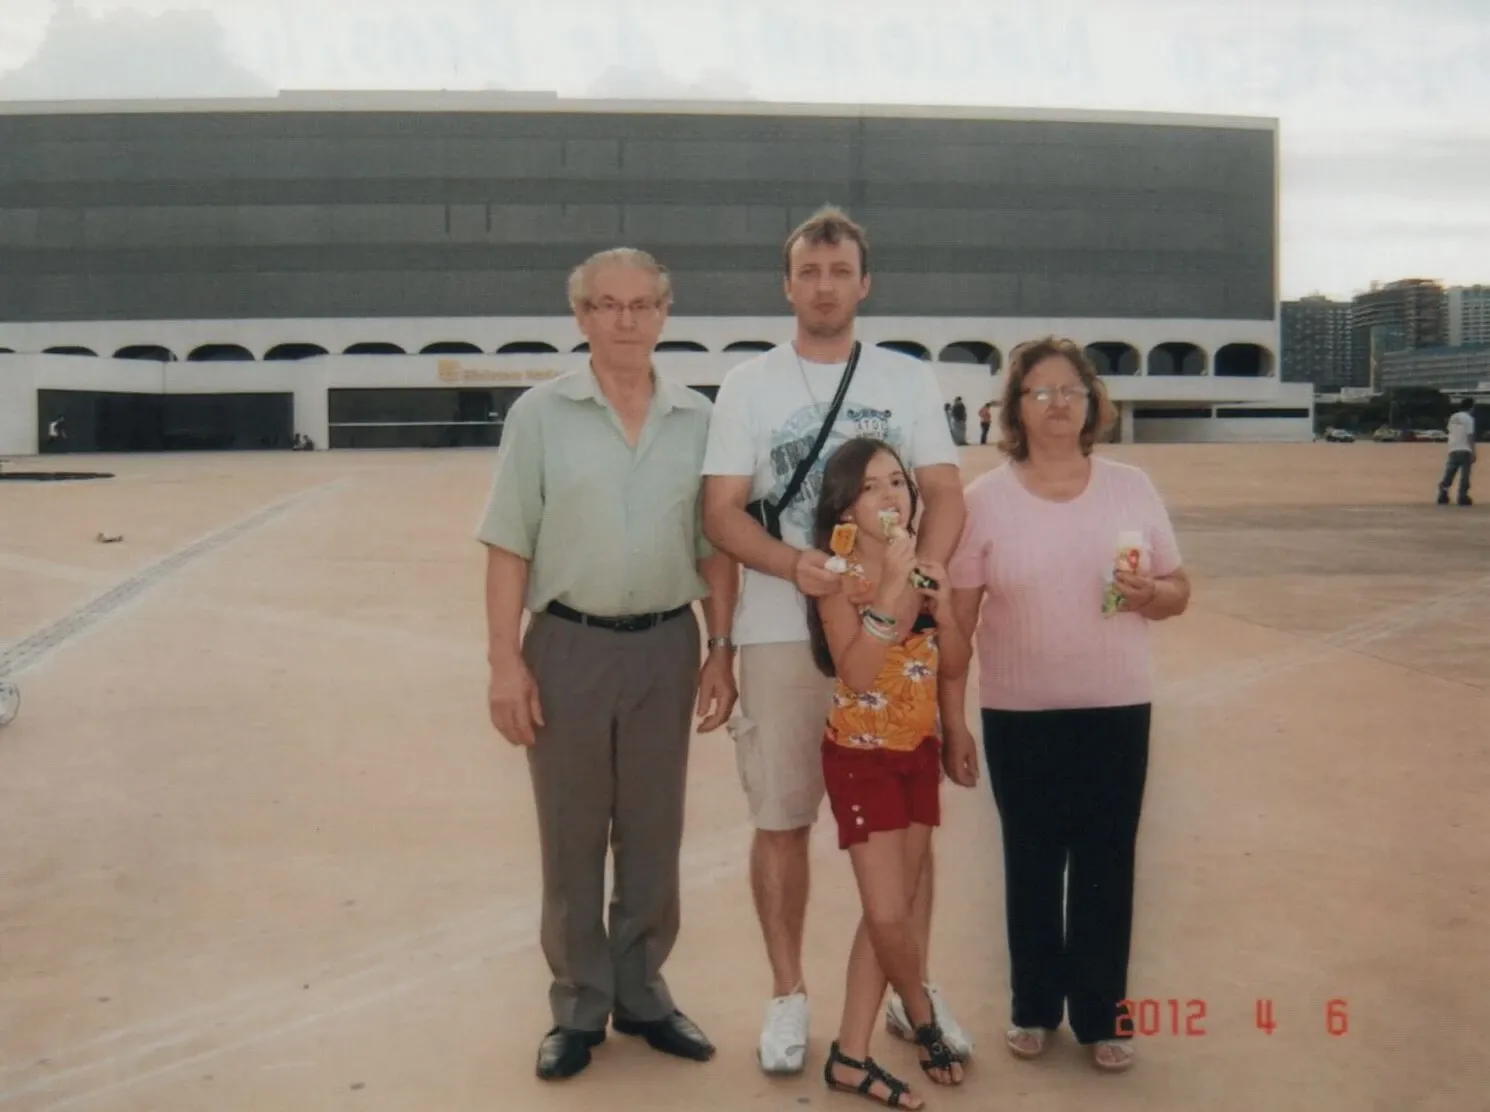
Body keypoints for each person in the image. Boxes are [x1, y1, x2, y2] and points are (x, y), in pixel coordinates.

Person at [700, 205, 971, 1075]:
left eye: (839, 271)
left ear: (865, 283)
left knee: (906, 829)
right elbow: (720, 513)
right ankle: (788, 994)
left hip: (892, 639)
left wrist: (917, 582)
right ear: (787, 286)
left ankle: (908, 987)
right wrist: (797, 565)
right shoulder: (748, 386)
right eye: (809, 273)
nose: (824, 287)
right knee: (782, 818)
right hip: (782, 630)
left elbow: (945, 491)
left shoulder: (907, 379)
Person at [477, 247, 740, 1082]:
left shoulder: (699, 419)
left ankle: (643, 992)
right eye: (606, 305)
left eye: (641, 304)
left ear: (665, 313)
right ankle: (579, 1006)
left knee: (654, 830)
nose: (625, 320)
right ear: (581, 316)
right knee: (572, 832)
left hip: (667, 645)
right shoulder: (539, 417)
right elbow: (508, 545)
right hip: (568, 647)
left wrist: (721, 649)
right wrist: (505, 663)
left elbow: (716, 548)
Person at [941, 336, 1191, 1073]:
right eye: (1040, 391)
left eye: (1071, 391)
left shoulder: (1131, 487)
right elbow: (957, 623)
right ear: (1015, 407)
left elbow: (1179, 590)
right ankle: (1033, 1007)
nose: (1057, 403)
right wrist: (949, 719)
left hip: (1117, 707)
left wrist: (1152, 593)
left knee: (1107, 862)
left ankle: (1103, 1016)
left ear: (1092, 404)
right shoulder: (985, 500)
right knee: (1030, 861)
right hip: (1019, 713)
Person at [807, 437, 972, 1109]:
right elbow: (855, 671)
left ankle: (851, 1055)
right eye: (870, 487)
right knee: (884, 912)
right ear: (847, 505)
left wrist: (945, 609)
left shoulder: (929, 567)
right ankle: (922, 1016)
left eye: (897, 483)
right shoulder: (839, 574)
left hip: (917, 754)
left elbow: (953, 661)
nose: (889, 497)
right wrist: (897, 591)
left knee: (893, 913)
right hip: (860, 757)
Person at [1437, 397, 1476, 506]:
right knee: (1465, 475)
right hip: (1465, 449)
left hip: (1453, 447)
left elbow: (1449, 431)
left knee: (1450, 472)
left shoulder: (1453, 417)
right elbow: (1470, 436)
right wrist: (1473, 451)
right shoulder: (1469, 419)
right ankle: (1462, 495)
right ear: (1471, 407)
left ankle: (1443, 491)